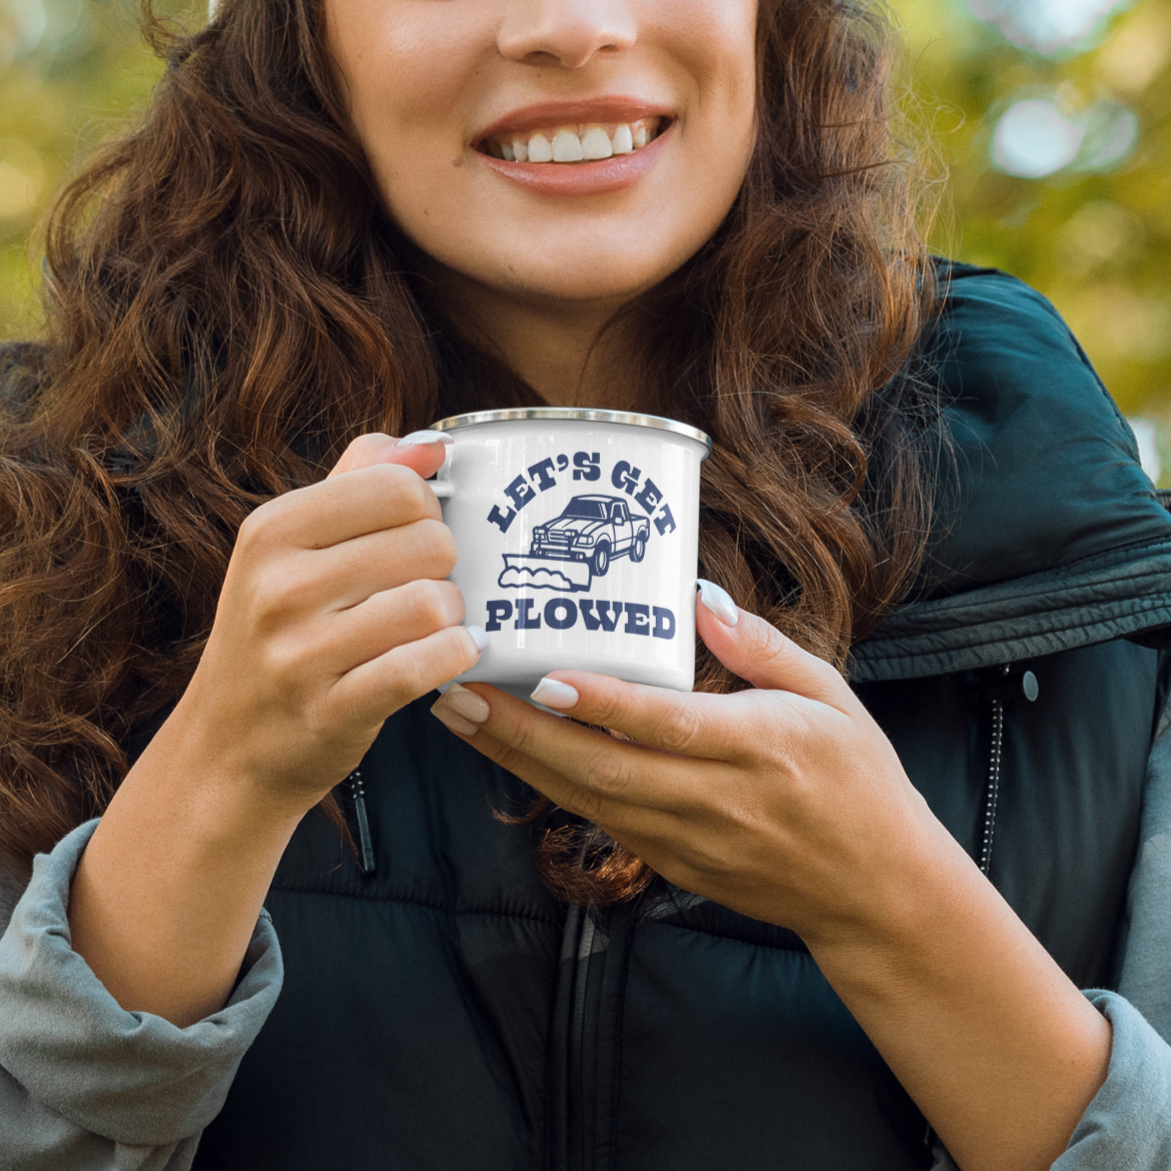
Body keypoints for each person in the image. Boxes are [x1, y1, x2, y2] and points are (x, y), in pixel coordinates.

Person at [1, 0, 1170, 1167]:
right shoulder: (49, 536)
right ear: (294, 29)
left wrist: (891, 908)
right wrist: (216, 783)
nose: (569, 26)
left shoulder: (1085, 565)